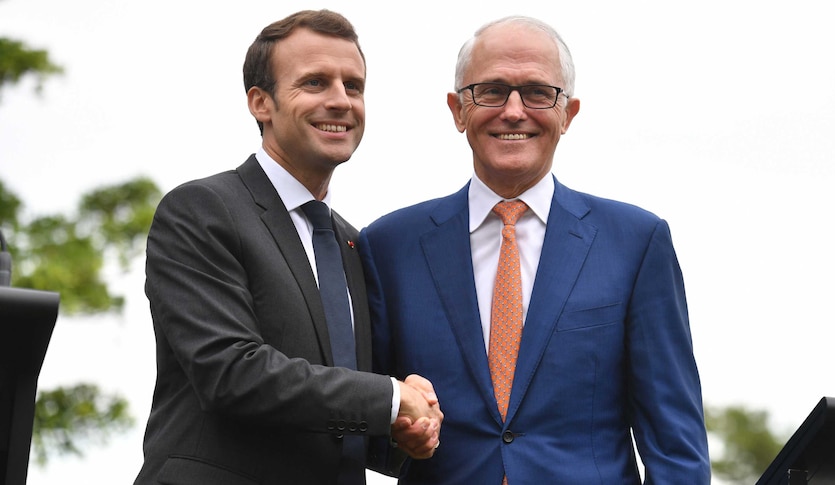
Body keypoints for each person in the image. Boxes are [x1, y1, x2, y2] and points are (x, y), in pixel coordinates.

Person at [358, 15, 710, 484]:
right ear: (457, 109)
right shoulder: (388, 247)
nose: (514, 110)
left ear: (569, 113)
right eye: (492, 90)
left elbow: (675, 444)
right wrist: (401, 430)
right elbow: (363, 421)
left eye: (539, 93)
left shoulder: (636, 242)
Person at [134, 10, 442, 485]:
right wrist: (389, 397)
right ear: (261, 103)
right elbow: (231, 373)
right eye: (316, 83)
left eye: (354, 86)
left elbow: (338, 409)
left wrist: (403, 430)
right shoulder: (202, 209)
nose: (341, 101)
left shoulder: (352, 243)